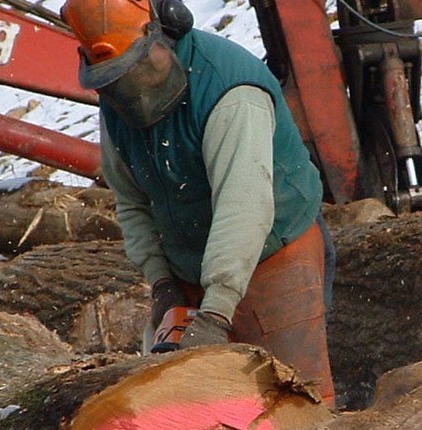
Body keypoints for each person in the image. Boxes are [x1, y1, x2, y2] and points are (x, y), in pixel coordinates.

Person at [62, 0, 336, 404]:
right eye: (116, 79)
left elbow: (243, 209)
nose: (131, 88)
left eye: (138, 69)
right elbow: (132, 200)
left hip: (273, 256)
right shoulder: (117, 99)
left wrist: (215, 314)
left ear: (167, 28)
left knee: (294, 402)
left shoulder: (229, 91)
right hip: (190, 266)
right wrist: (162, 283)